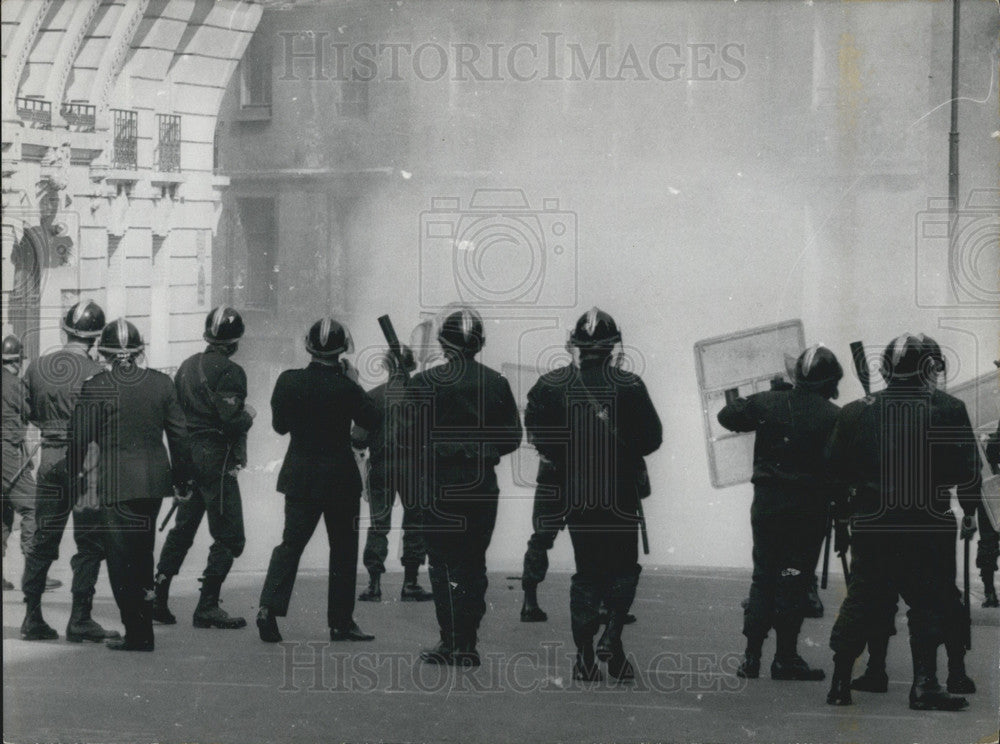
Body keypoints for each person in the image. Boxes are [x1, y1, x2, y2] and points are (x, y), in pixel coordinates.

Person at [826, 333, 981, 711]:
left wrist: (844, 516)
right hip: (927, 523)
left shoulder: (854, 411)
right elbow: (967, 471)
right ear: (930, 367)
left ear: (886, 368)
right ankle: (926, 684)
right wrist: (971, 512)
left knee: (862, 599)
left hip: (873, 524)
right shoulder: (949, 408)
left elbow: (834, 472)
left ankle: (840, 681)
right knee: (927, 603)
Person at [527, 308, 662, 681]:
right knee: (623, 569)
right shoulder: (630, 384)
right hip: (620, 494)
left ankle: (585, 659)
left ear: (576, 345)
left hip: (576, 494)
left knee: (587, 574)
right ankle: (612, 636)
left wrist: (565, 457)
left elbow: (537, 434)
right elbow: (653, 439)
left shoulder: (550, 385)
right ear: (612, 344)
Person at [401, 305, 523, 667]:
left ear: (442, 342)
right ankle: (468, 642)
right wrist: (479, 449)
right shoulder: (496, 382)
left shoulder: (423, 383)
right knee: (473, 564)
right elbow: (513, 438)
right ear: (480, 342)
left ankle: (450, 640)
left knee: (441, 565)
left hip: (437, 486)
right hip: (481, 485)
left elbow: (407, 436)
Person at [717, 344, 843, 682]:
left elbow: (727, 416)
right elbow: (841, 471)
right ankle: (785, 657)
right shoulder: (834, 416)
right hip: (808, 511)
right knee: (794, 579)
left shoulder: (769, 403)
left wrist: (764, 397)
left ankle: (751, 658)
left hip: (768, 504)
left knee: (764, 576)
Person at [69, 318, 193, 651]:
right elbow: (180, 437)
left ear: (105, 353)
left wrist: (74, 480)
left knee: (121, 562)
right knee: (142, 554)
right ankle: (143, 630)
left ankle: (137, 633)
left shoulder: (96, 386)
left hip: (116, 485)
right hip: (153, 484)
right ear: (139, 351)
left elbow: (79, 441)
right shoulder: (161, 384)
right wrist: (183, 481)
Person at [257, 318, 380, 643]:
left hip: (300, 476)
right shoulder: (346, 387)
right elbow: (372, 419)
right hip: (340, 479)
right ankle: (340, 623)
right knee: (342, 550)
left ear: (309, 346)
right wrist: (354, 382)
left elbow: (280, 426)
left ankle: (268, 609)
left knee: (290, 544)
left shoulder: (288, 381)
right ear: (341, 350)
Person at [20, 300, 119, 642]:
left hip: (50, 456)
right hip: (88, 461)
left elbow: (28, 411)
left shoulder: (37, 366)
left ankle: (32, 616)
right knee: (90, 542)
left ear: (65, 329)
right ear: (94, 339)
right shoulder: (98, 375)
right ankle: (80, 618)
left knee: (42, 539)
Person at [154, 307, 254, 629]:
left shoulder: (185, 367)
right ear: (234, 342)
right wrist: (249, 415)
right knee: (230, 535)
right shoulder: (232, 372)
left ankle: (158, 597)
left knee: (183, 530)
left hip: (186, 454)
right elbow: (230, 420)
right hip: (216, 458)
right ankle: (207, 605)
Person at [354, 344, 433, 603]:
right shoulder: (423, 397)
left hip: (382, 467)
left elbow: (359, 439)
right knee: (415, 523)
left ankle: (374, 584)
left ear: (386, 366)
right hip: (414, 468)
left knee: (379, 524)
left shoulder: (373, 396)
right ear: (411, 366)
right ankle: (410, 583)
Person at [3, 335, 35, 591]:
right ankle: (33, 576)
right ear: (17, 361)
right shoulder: (15, 384)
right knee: (33, 506)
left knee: (3, 512)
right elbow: (32, 412)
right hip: (8, 452)